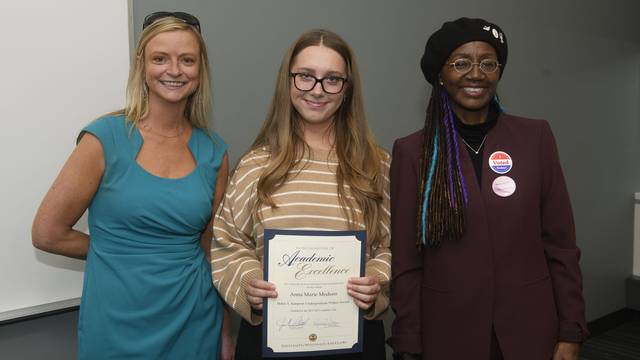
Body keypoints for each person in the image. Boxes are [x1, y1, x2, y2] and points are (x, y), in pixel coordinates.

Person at [32, 12, 234, 359]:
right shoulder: (104, 139)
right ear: (141, 64)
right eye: (160, 58)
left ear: (200, 70)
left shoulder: (215, 151)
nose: (174, 70)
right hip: (115, 321)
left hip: (195, 319)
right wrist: (119, 251)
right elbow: (47, 233)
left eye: (187, 60)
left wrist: (227, 330)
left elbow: (209, 248)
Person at [388, 17, 588, 360]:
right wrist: (408, 340)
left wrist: (571, 330)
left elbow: (561, 245)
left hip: (530, 330)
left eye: (488, 63)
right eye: (461, 63)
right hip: (449, 333)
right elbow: (406, 261)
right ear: (440, 74)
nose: (476, 74)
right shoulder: (412, 152)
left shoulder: (535, 137)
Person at [211, 29, 391, 360]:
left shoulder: (376, 165)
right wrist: (249, 281)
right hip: (271, 340)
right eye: (306, 76)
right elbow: (227, 243)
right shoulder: (256, 164)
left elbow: (393, 247)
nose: (317, 90)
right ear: (288, 81)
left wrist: (377, 280)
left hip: (356, 341)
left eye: (332, 79)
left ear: (347, 88)